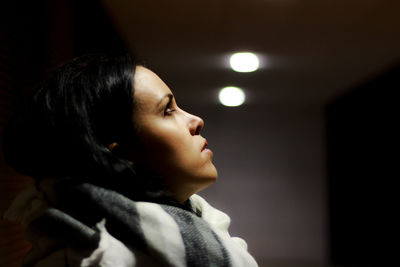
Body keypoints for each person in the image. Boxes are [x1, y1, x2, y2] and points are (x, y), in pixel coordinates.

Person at [3, 54, 258, 266]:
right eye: (167, 110)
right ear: (117, 153)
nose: (196, 120)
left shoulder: (205, 229)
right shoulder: (92, 259)